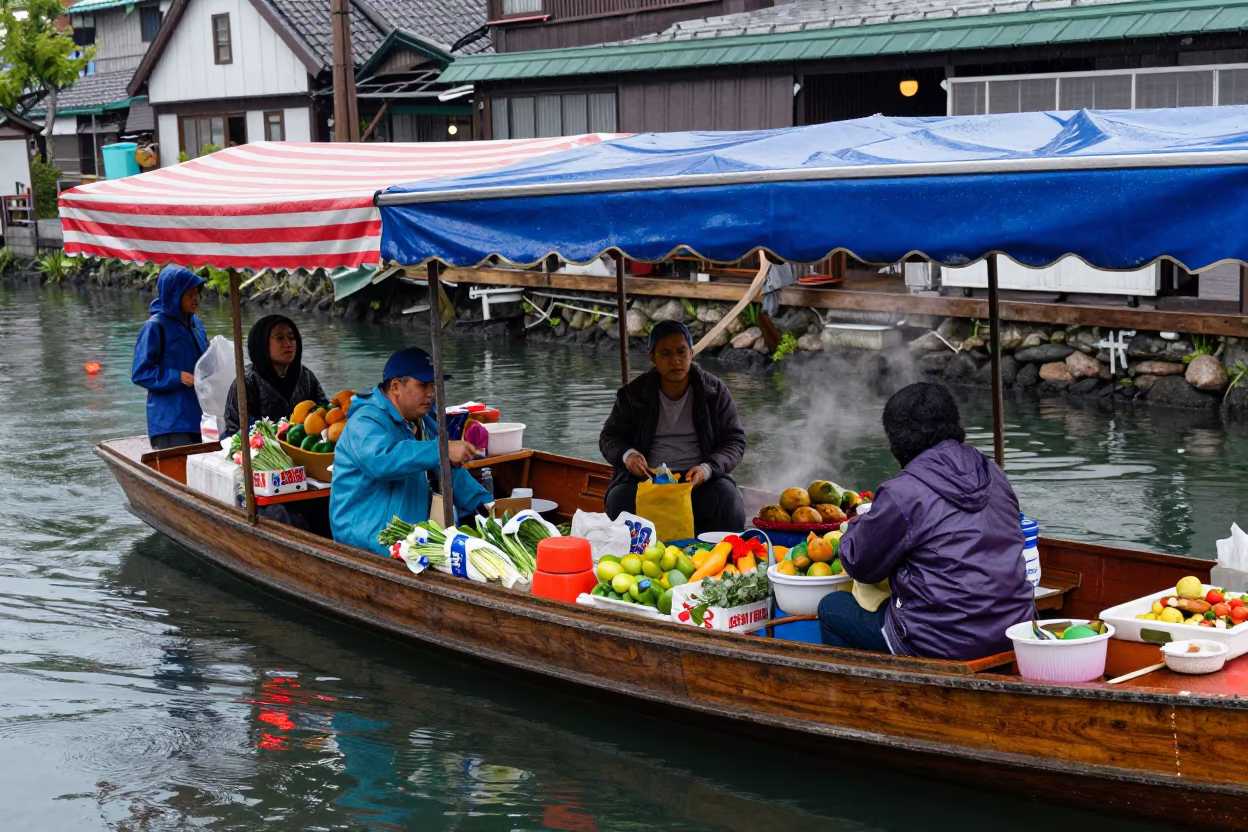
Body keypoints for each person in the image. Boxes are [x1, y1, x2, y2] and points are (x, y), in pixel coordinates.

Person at [818, 382, 1036, 660]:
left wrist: (855, 527)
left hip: (941, 642)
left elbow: (860, 564)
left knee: (832, 608)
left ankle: (870, 697)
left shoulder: (904, 491)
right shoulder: (993, 471)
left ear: (898, 440)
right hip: (1015, 630)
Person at [330, 347, 492, 555]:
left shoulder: (424, 423)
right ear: (396, 386)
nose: (431, 393)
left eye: (432, 385)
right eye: (423, 385)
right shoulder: (364, 422)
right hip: (368, 543)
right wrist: (442, 450)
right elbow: (383, 461)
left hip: (412, 537)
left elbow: (452, 474)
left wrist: (489, 507)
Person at [600, 320, 746, 535]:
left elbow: (735, 441)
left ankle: (724, 560)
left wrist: (707, 469)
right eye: (665, 353)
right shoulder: (633, 395)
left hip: (697, 479)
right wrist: (628, 455)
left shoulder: (714, 391)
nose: (675, 360)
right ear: (652, 358)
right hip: (647, 479)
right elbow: (609, 438)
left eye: (681, 351)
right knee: (619, 498)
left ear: (691, 353)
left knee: (727, 498)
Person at [131, 265, 209, 450]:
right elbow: (141, 373)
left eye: (197, 291)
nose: (196, 297)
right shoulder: (155, 327)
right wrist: (177, 377)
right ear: (175, 294)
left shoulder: (195, 323)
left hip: (197, 416)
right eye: (190, 293)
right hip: (169, 423)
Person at [223, 315, 327, 439]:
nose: (288, 343)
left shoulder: (305, 376)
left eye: (292, 337)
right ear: (261, 343)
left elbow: (324, 411)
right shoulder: (247, 382)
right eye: (279, 338)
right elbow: (235, 431)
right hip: (263, 452)